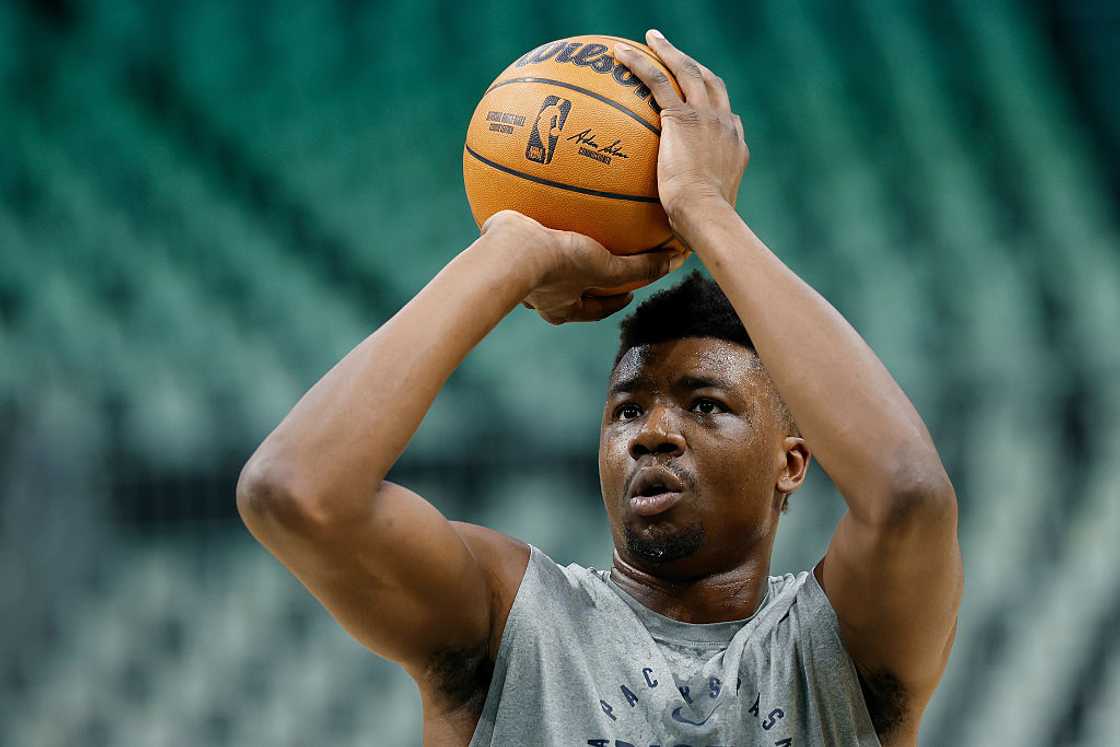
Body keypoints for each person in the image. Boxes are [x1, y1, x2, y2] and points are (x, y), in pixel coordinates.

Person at [237, 29, 962, 747]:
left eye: (705, 404)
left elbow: (908, 492)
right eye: (626, 409)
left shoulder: (839, 650)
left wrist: (704, 211)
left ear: (792, 461)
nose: (652, 431)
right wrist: (514, 248)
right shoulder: (509, 624)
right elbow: (294, 490)